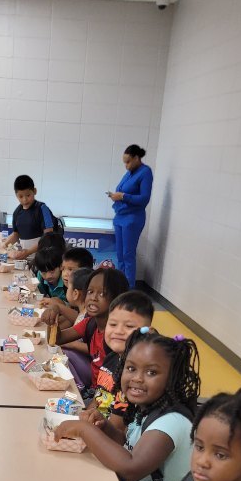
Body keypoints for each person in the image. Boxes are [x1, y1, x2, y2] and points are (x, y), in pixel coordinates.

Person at [53, 329, 200, 481]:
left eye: (151, 373)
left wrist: (85, 430)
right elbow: (127, 443)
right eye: (131, 368)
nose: (137, 379)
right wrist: (104, 429)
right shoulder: (148, 407)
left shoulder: (171, 421)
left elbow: (132, 467)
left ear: (172, 378)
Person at [54, 267, 129, 387]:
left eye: (102, 293)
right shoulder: (90, 323)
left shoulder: (116, 336)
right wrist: (53, 316)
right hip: (94, 389)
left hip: (106, 395)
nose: (93, 298)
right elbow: (57, 339)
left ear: (117, 299)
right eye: (90, 291)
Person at [91, 291, 155, 416]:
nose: (118, 331)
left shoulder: (135, 376)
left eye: (129, 326)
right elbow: (97, 400)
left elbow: (118, 428)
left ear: (147, 332)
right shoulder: (111, 358)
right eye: (113, 324)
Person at [107, 144, 153, 288]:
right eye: (124, 162)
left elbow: (144, 199)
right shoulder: (129, 172)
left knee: (128, 255)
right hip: (120, 216)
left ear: (137, 158)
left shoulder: (145, 172)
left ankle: (129, 289)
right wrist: (116, 196)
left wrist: (123, 196)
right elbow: (122, 192)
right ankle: (120, 286)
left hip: (132, 218)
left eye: (128, 162)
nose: (126, 166)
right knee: (120, 255)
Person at [3, 175, 57, 259]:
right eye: (20, 196)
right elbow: (15, 235)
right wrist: (4, 246)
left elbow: (48, 236)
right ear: (16, 195)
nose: (24, 199)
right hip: (24, 257)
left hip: (42, 257)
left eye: (28, 195)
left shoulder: (42, 209)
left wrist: (28, 252)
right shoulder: (17, 212)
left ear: (34, 191)